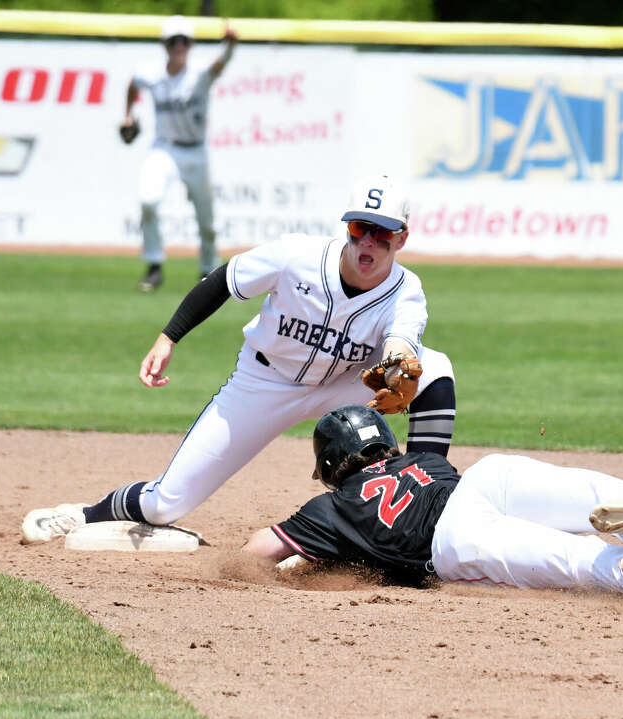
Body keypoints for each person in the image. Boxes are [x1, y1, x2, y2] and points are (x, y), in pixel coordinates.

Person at [23, 175, 459, 544]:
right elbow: (222, 282)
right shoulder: (296, 257)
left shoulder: (406, 290)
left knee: (435, 367)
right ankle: (86, 513)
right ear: (345, 228)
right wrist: (168, 337)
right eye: (360, 228)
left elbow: (403, 341)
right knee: (164, 505)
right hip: (263, 383)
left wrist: (399, 364)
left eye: (381, 233)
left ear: (401, 237)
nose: (368, 242)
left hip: (341, 388)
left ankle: (421, 515)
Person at [239, 405, 623, 591]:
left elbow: (263, 548)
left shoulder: (331, 509)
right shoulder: (421, 459)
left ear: (333, 464)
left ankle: (621, 569)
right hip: (485, 479)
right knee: (576, 493)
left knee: (563, 560)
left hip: (454, 538)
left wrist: (241, 567)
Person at [125, 15, 237, 292]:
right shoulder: (151, 73)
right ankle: (154, 266)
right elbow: (132, 85)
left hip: (195, 150)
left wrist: (231, 46)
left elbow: (220, 65)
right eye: (174, 41)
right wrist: (128, 115)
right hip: (165, 148)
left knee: (206, 217)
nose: (179, 46)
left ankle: (209, 269)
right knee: (148, 200)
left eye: (184, 41)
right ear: (164, 44)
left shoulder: (199, 73)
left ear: (191, 44)